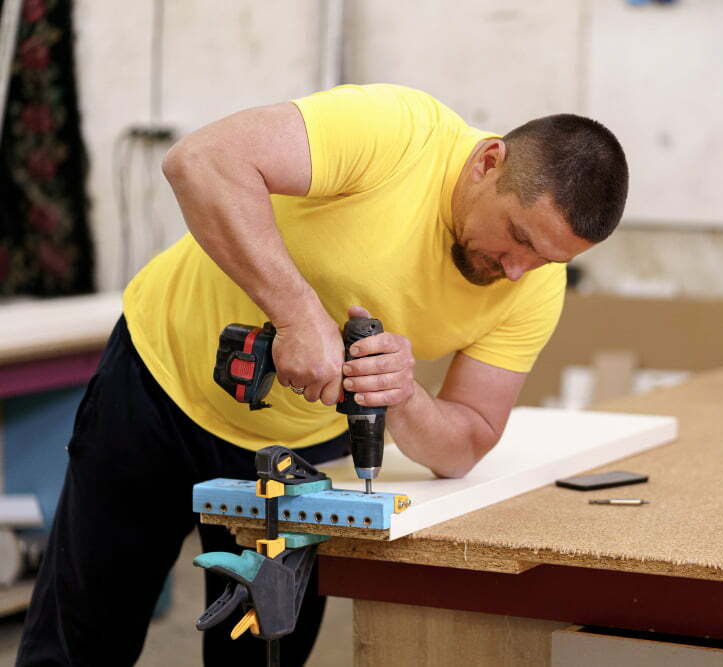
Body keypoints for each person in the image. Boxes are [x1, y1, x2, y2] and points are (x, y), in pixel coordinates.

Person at [16, 83, 628, 666]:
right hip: (158, 385)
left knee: (262, 646)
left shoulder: (533, 285)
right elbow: (200, 160)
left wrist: (405, 396)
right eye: (517, 236)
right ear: (488, 162)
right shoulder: (396, 131)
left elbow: (466, 441)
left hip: (299, 456)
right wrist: (300, 315)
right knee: (83, 639)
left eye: (548, 258)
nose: (518, 269)